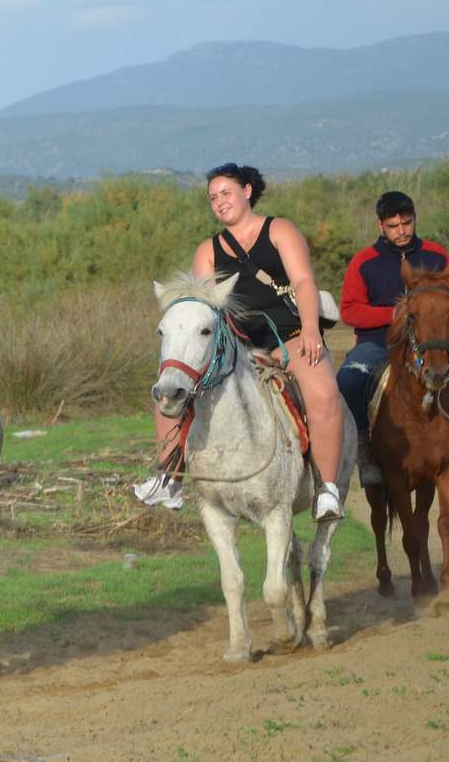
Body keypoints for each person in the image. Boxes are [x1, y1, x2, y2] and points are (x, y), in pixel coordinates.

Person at [136, 163, 345, 520]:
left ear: (247, 191)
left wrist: (311, 328)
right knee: (172, 390)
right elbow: (204, 308)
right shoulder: (209, 250)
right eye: (213, 197)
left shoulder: (279, 230)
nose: (219, 202)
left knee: (324, 393)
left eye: (226, 193)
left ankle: (327, 489)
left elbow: (304, 282)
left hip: (289, 335)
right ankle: (168, 478)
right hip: (236, 344)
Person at [336, 190, 449, 484]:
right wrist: (394, 315)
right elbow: (350, 310)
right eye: (393, 225)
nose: (401, 230)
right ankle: (365, 454)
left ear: (414, 219)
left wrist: (437, 314)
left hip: (435, 339)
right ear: (380, 225)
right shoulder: (364, 261)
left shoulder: (436, 254)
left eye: (406, 223)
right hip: (379, 342)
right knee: (347, 380)